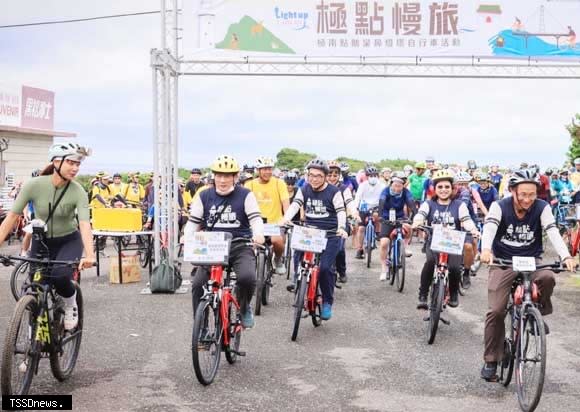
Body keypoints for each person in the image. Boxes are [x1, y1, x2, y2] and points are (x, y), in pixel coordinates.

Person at [479, 169, 576, 381]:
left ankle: (537, 311)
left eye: (532, 194)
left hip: (532, 261)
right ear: (512, 191)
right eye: (522, 194)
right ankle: (491, 359)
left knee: (548, 277)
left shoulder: (541, 207)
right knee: (496, 311)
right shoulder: (499, 206)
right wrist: (486, 250)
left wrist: (566, 256)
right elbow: (489, 228)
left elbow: (551, 230)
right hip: (503, 263)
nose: (527, 199)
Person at [0, 142, 95, 330]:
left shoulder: (78, 191)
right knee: (33, 288)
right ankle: (30, 344)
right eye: (71, 162)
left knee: (60, 277)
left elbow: (84, 225)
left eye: (78, 164)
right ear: (56, 162)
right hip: (41, 241)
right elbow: (11, 218)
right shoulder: (33, 185)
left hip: (68, 240)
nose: (75, 168)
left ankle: (70, 303)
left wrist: (90, 254)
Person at [185, 155, 264, 329]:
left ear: (235, 177)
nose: (222, 180)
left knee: (247, 278)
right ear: (213, 176)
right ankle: (202, 327)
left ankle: (244, 308)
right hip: (212, 247)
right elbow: (193, 222)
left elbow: (256, 219)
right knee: (198, 284)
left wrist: (258, 234)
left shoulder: (246, 195)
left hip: (239, 244)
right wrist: (187, 237)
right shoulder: (204, 195)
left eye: (227, 176)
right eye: (219, 175)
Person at [280, 158, 348, 320]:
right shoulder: (304, 189)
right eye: (311, 175)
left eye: (318, 176)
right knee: (298, 256)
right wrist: (285, 219)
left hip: (330, 233)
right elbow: (295, 205)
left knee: (325, 268)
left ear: (325, 176)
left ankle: (326, 302)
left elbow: (340, 211)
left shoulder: (334, 192)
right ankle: (300, 284)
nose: (314, 179)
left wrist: (341, 227)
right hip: (309, 232)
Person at [412, 169, 479, 309]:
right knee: (430, 263)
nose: (443, 190)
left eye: (447, 187)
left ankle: (453, 293)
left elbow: (466, 220)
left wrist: (473, 229)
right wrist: (417, 222)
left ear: (452, 188)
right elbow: (420, 214)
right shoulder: (429, 204)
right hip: (434, 241)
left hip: (453, 242)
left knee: (455, 268)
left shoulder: (459, 205)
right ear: (435, 189)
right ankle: (423, 294)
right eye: (440, 187)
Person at [245, 156, 290, 274]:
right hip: (254, 224)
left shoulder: (279, 183)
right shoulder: (250, 185)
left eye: (269, 169)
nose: (267, 172)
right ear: (258, 170)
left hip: (275, 223)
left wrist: (286, 218)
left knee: (278, 241)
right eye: (264, 169)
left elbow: (285, 203)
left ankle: (278, 259)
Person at [378, 174, 415, 281]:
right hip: (386, 218)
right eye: (395, 185)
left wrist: (416, 214)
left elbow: (411, 203)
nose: (397, 188)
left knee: (409, 227)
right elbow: (382, 201)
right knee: (384, 243)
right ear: (391, 184)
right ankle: (384, 268)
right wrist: (380, 216)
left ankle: (405, 246)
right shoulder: (385, 191)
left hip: (400, 217)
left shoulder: (406, 192)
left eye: (400, 186)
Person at [327, 160, 359, 283]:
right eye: (329, 174)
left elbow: (350, 202)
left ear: (339, 175)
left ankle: (342, 271)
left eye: (335, 175)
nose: (332, 177)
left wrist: (354, 213)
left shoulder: (344, 189)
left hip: (341, 221)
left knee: (339, 248)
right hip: (324, 222)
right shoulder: (319, 187)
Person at [353, 165, 386, 259]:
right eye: (371, 175)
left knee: (377, 217)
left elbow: (384, 198)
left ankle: (377, 233)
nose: (373, 177)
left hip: (376, 206)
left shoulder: (382, 186)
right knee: (361, 229)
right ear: (367, 176)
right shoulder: (363, 185)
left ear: (378, 176)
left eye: (375, 175)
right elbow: (357, 197)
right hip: (364, 207)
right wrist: (355, 208)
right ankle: (360, 249)